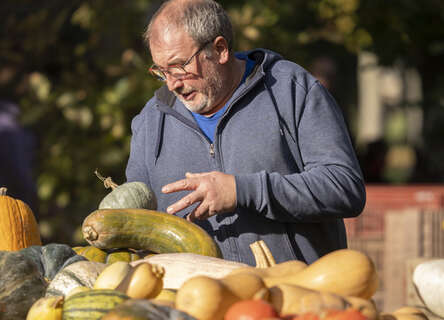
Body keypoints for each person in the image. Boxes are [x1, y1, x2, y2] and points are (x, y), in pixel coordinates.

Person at [125, 0, 366, 265]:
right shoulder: (151, 120)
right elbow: (137, 220)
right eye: (161, 71)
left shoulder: (292, 90)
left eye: (180, 66)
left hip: (297, 295)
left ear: (220, 49)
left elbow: (344, 187)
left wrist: (243, 190)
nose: (172, 84)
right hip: (194, 301)